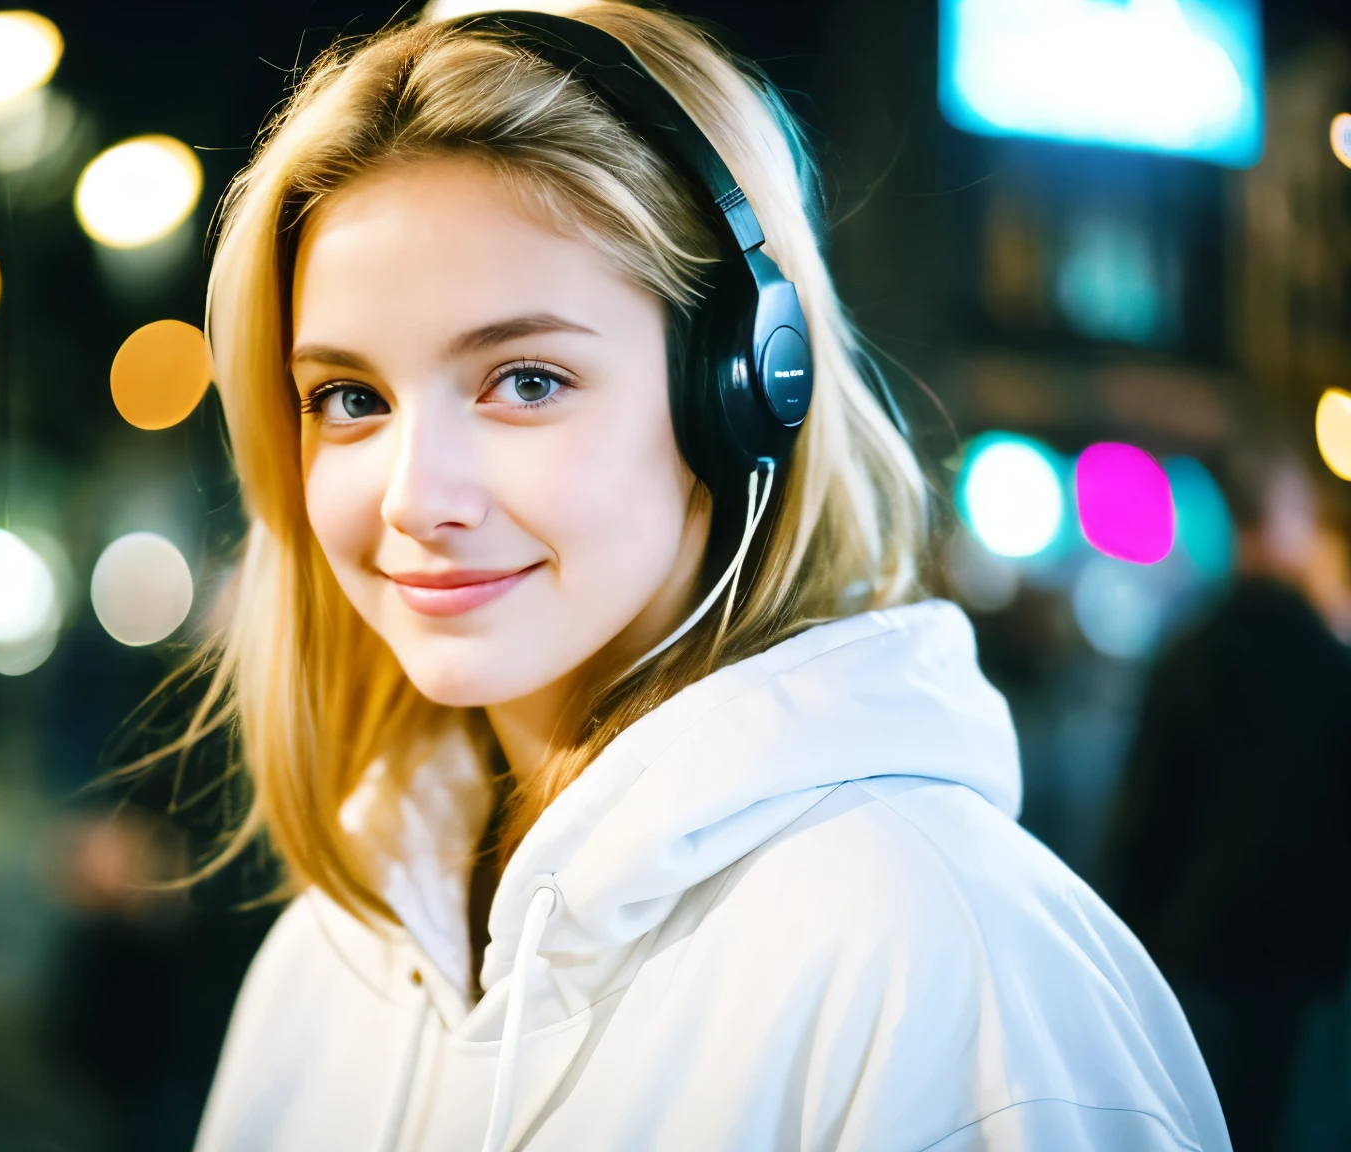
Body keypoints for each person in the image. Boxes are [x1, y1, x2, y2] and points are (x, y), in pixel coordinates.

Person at [165, 6, 1226, 1150]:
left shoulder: (944, 963)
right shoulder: (336, 957)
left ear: (744, 391)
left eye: (523, 380)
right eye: (349, 399)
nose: (413, 498)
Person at [1104, 450, 1351, 1151]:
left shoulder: (1188, 657)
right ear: (1282, 525)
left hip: (1196, 952)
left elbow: (1143, 818)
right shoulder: (1332, 668)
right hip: (1305, 966)